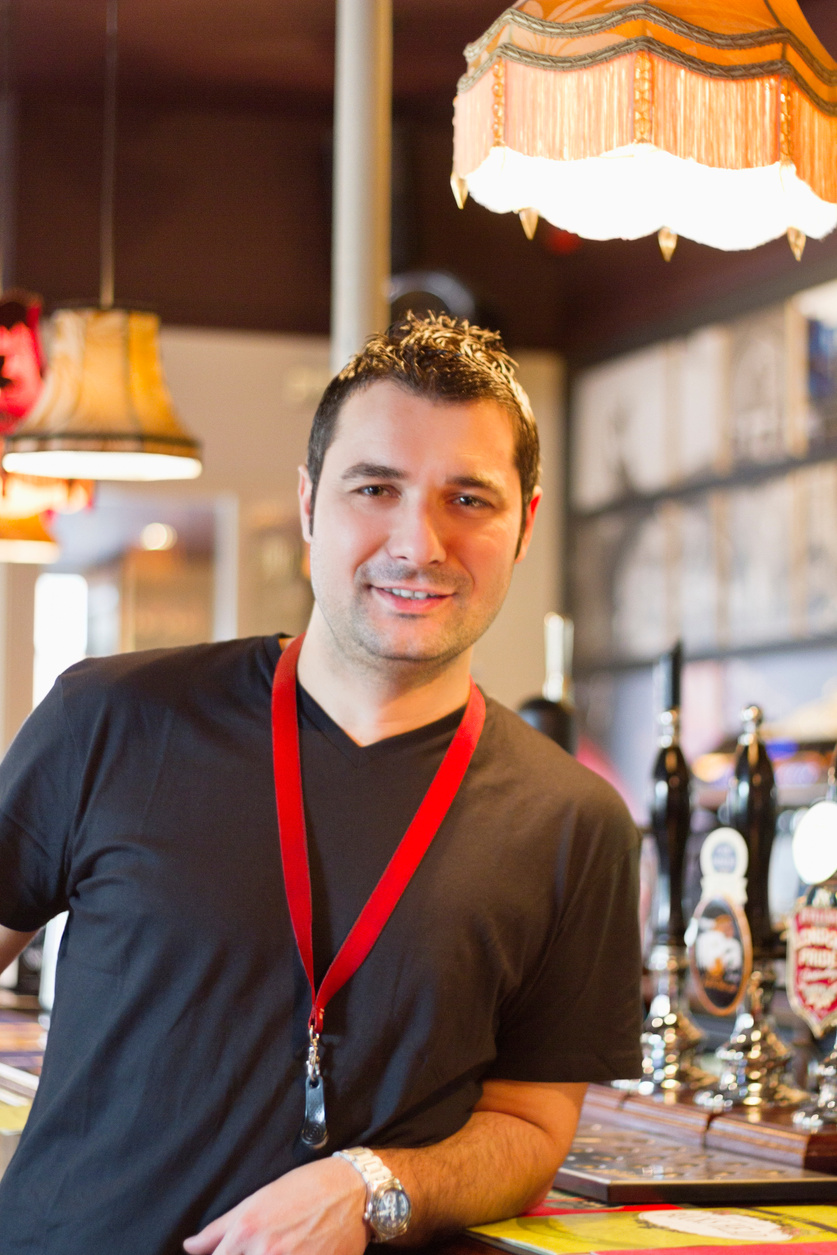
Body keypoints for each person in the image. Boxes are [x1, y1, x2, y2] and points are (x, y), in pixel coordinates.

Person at [0, 314, 642, 1255]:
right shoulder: (111, 718)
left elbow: (531, 1128)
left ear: (524, 525)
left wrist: (373, 1184)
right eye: (374, 488)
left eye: (468, 498)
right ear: (309, 505)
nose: (418, 542)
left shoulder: (575, 823)